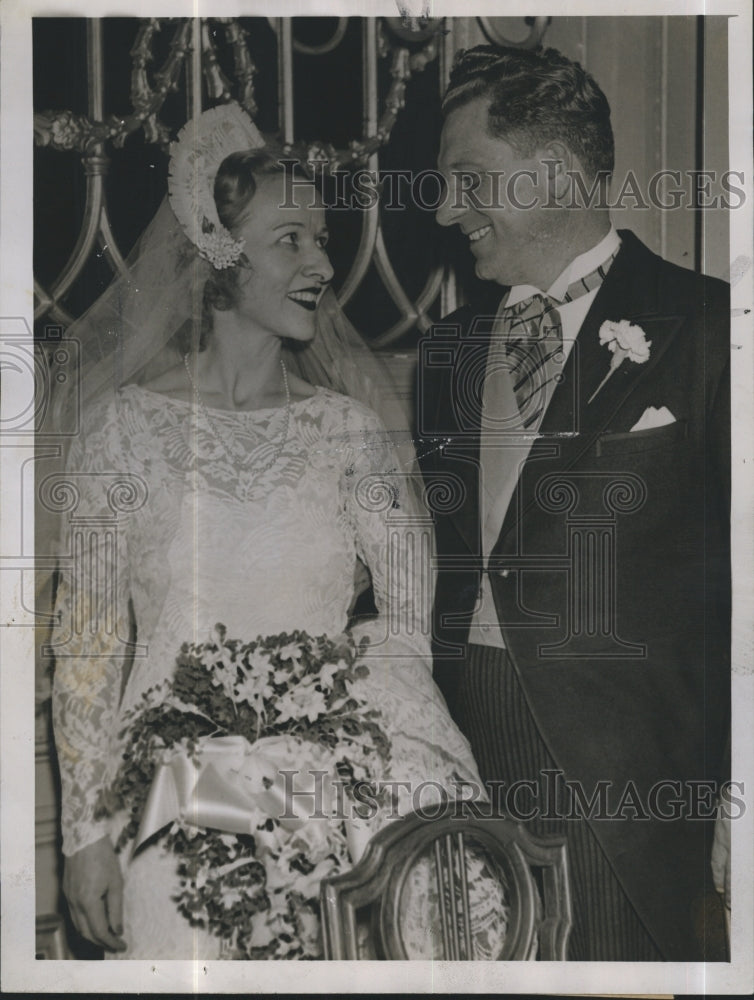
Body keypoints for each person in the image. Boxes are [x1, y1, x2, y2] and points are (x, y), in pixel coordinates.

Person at [49, 103, 490, 960]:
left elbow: (406, 632)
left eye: (322, 239)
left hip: (327, 810)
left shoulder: (349, 432)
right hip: (164, 804)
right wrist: (82, 836)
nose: (323, 263)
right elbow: (88, 648)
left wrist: (320, 755)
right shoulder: (124, 430)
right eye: (292, 239)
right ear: (218, 251)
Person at [420, 45, 730, 961]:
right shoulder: (447, 355)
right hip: (460, 766)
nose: (443, 211)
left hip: (627, 793)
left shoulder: (712, 329)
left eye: (467, 180)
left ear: (552, 174)